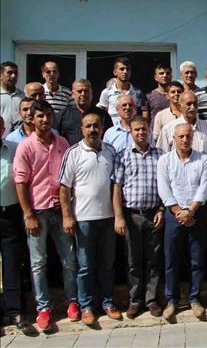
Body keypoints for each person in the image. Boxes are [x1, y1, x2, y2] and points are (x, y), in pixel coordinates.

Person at [13, 101, 76, 331]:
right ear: (32, 118)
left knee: (69, 260)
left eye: (48, 115)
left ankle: (72, 302)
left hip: (60, 211)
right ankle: (43, 308)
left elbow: (68, 178)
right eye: (40, 116)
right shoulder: (25, 146)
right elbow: (20, 182)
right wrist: (28, 214)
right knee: (38, 262)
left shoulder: (62, 143)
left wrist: (68, 210)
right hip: (37, 212)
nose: (45, 120)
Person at [59, 111, 120, 325]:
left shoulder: (110, 151)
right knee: (85, 266)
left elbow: (116, 185)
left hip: (108, 218)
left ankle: (107, 302)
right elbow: (64, 188)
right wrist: (67, 216)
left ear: (102, 128)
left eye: (96, 125)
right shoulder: (73, 153)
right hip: (83, 219)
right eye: (88, 126)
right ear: (82, 129)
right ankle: (86, 306)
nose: (93, 129)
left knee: (107, 264)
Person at [157, 123, 207, 322]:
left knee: (197, 260)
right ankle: (171, 300)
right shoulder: (165, 160)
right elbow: (164, 189)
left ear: (193, 137)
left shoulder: (203, 160)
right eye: (181, 136)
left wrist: (190, 211)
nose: (185, 139)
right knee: (171, 260)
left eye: (188, 136)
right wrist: (179, 212)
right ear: (174, 138)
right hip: (174, 215)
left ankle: (194, 298)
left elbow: (204, 189)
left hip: (196, 215)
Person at [112, 115, 164, 319]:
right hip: (131, 216)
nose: (141, 133)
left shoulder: (160, 155)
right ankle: (135, 300)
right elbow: (117, 187)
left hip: (153, 215)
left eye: (143, 129)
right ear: (131, 132)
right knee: (133, 261)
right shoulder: (123, 155)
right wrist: (119, 216)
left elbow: (166, 185)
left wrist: (161, 209)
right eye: (136, 130)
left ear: (149, 130)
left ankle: (151, 300)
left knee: (153, 260)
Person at [0, 117, 29, 331]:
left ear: (3, 128)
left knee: (12, 264)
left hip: (10, 214)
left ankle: (14, 311)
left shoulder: (13, 148)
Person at [55, 79, 113, 145]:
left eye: (86, 91)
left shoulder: (102, 115)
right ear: (73, 94)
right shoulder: (63, 115)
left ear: (91, 93)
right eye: (80, 91)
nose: (83, 94)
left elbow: (109, 137)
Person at [97, 57, 146, 126]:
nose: (125, 72)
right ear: (115, 72)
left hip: (131, 129)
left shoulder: (137, 93)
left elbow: (140, 113)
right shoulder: (106, 92)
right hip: (112, 129)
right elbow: (100, 112)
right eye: (122, 69)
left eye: (127, 69)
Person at [0, 61, 24, 131]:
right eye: (9, 73)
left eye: (15, 73)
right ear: (1, 75)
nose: (13, 76)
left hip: (19, 136)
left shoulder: (23, 96)